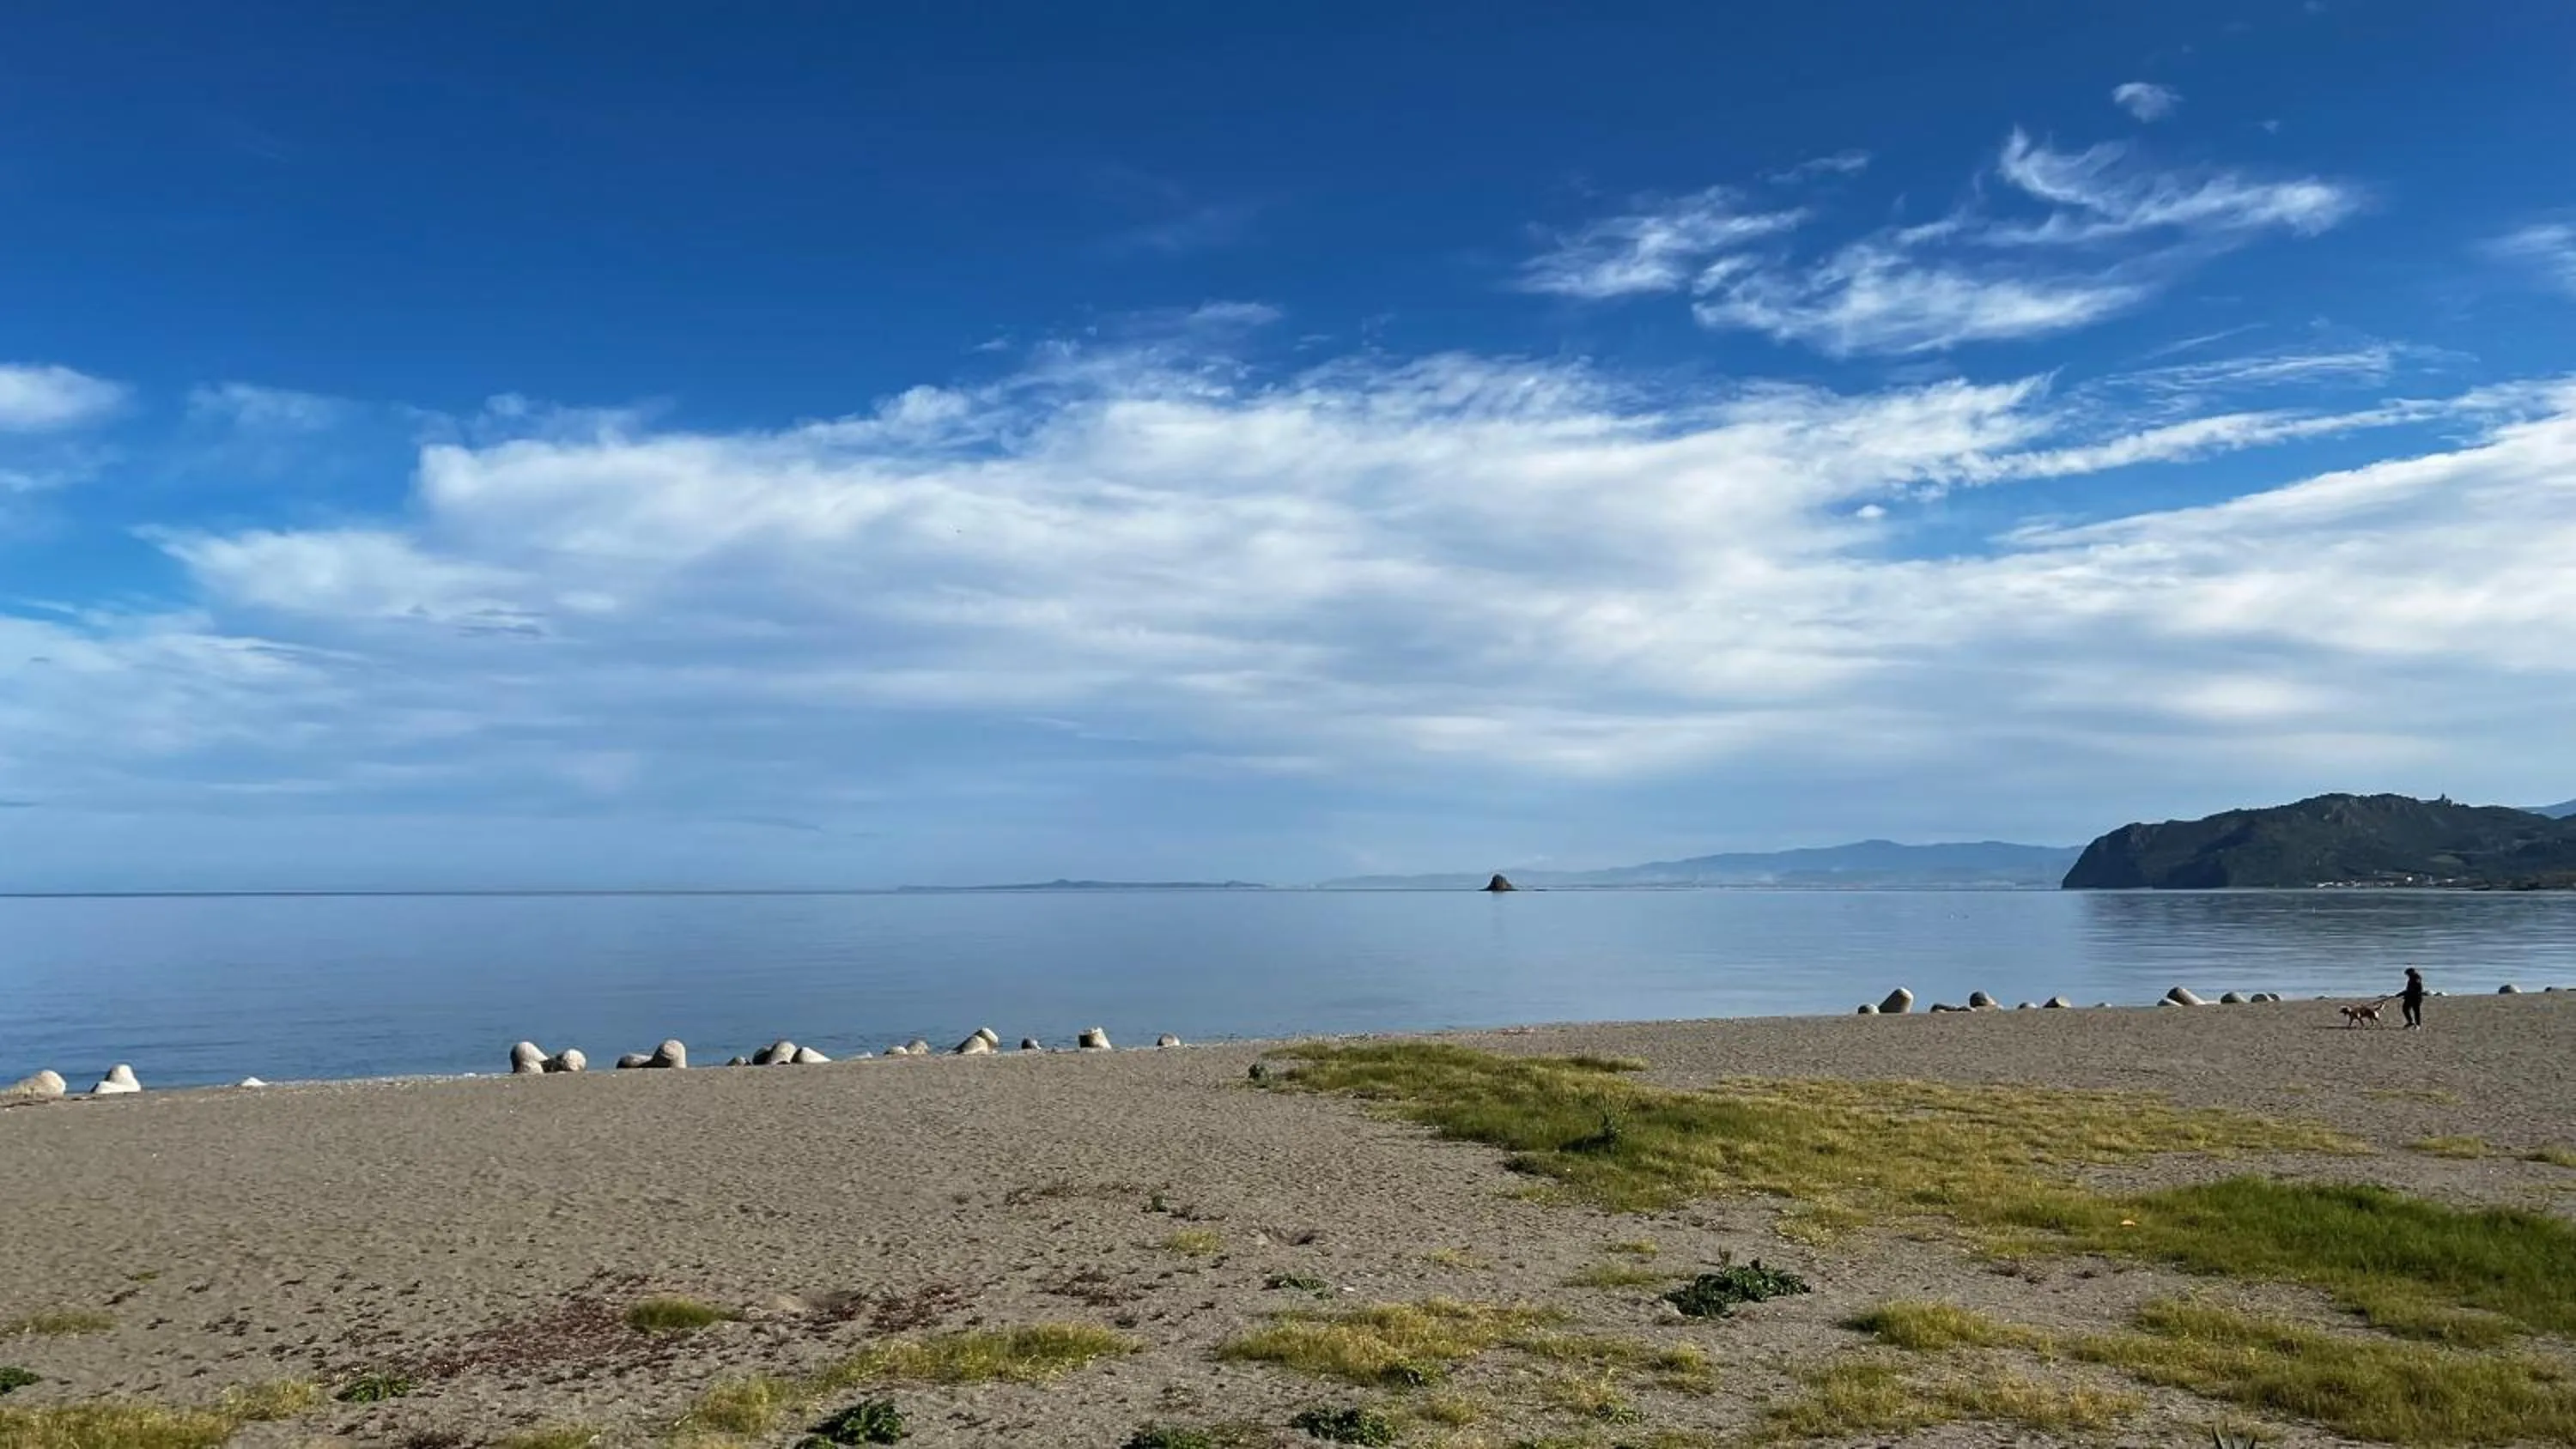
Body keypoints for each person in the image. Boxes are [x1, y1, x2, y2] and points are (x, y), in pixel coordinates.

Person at [2399, 966, 2427, 1030]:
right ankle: (2410, 1022)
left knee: (2416, 1011)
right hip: (2409, 997)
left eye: (2408, 974)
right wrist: (2403, 993)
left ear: (2412, 972)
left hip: (2416, 997)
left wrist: (2406, 993)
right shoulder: (2411, 978)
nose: (2407, 975)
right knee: (2405, 1009)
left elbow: (2416, 989)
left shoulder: (2417, 978)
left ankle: (2418, 1025)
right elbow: (2409, 989)